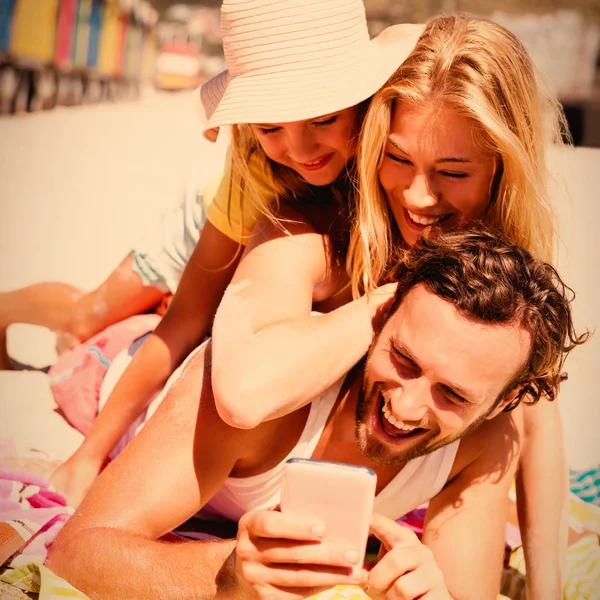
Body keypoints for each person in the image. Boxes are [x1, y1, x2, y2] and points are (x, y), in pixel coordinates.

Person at [206, 14, 571, 598]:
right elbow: (243, 390)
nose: (418, 197)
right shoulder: (321, 220)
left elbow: (536, 404)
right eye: (396, 158)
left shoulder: (499, 268)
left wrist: (547, 585)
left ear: (501, 168)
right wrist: (399, 293)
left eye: (453, 172)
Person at [46, 228, 588, 600]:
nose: (403, 405)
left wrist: (434, 592)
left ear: (504, 403)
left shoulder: (486, 441)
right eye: (402, 358)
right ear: (380, 317)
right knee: (79, 327)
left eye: (453, 394)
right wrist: (230, 575)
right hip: (125, 367)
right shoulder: (266, 403)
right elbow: (74, 554)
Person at [47, 0, 423, 506]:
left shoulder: (397, 157)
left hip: (274, 251)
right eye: (271, 127)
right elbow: (184, 321)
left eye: (324, 118)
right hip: (213, 223)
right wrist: (88, 456)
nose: (300, 146)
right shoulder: (253, 166)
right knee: (92, 314)